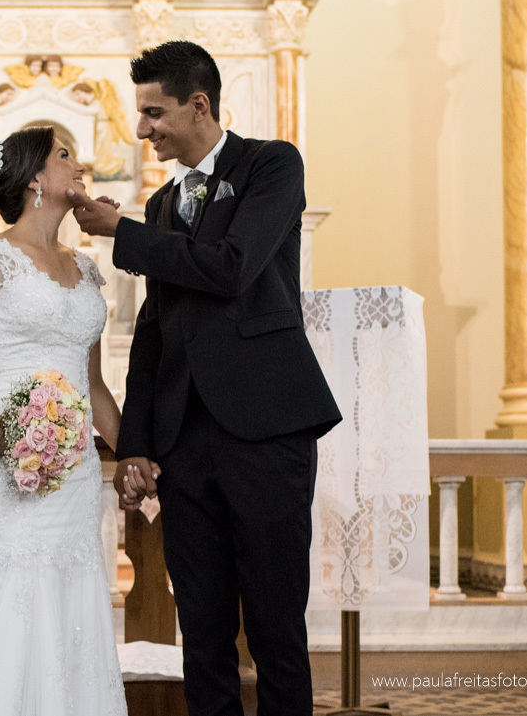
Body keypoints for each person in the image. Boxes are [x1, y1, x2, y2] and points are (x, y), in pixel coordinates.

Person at [70, 40, 342, 716]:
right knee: (204, 632)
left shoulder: (272, 165)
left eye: (154, 112)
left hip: (267, 430)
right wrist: (134, 443)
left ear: (199, 104)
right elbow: (154, 334)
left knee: (276, 628)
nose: (142, 130)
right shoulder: (163, 205)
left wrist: (122, 232)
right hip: (186, 444)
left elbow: (231, 265)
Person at [0, 126, 138, 715]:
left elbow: (93, 386)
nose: (79, 163)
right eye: (65, 154)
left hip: (76, 468)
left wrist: (135, 450)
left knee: (73, 586)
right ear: (35, 177)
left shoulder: (87, 270)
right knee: (9, 582)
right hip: (3, 454)